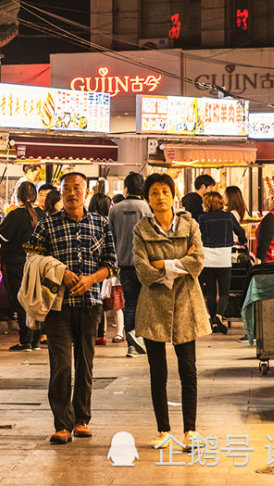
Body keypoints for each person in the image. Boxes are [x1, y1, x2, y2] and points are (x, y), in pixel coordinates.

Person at [25, 172, 117, 445]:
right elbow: (32, 259)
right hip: (57, 306)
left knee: (85, 364)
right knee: (61, 365)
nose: (72, 193)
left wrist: (90, 280)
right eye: (67, 189)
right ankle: (62, 424)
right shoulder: (47, 225)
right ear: (61, 193)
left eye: (77, 188)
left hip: (89, 305)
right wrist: (60, 272)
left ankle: (82, 420)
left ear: (86, 191)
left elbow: (111, 264)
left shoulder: (101, 223)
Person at [132, 173, 211, 450]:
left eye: (165, 191)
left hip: (187, 302)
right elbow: (142, 270)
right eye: (154, 193)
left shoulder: (190, 224)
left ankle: (191, 430)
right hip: (153, 305)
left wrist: (162, 266)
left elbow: (198, 260)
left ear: (173, 195)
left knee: (188, 368)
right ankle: (163, 430)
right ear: (148, 199)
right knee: (158, 371)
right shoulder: (141, 230)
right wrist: (179, 265)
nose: (160, 197)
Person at [0, 182, 45, 351]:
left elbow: (0, 236)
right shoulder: (41, 214)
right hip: (38, 263)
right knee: (35, 300)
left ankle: (25, 341)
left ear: (19, 196)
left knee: (21, 300)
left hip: (16, 263)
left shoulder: (16, 215)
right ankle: (35, 340)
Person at [109, 172, 152, 357]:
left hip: (123, 264)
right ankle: (144, 341)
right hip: (144, 264)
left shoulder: (115, 209)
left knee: (130, 304)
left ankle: (132, 346)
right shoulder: (147, 209)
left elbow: (110, 238)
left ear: (125, 189)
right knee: (146, 303)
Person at [196, 191, 246, 334]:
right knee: (224, 292)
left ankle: (213, 322)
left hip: (208, 257)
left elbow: (198, 235)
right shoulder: (228, 217)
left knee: (211, 292)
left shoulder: (202, 218)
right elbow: (240, 232)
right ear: (220, 203)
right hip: (224, 257)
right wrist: (242, 241)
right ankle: (218, 316)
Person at [87, 193, 118, 346]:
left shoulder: (89, 221)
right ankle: (100, 334)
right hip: (102, 267)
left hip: (90, 267)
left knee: (93, 300)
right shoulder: (105, 222)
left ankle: (94, 332)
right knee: (99, 300)